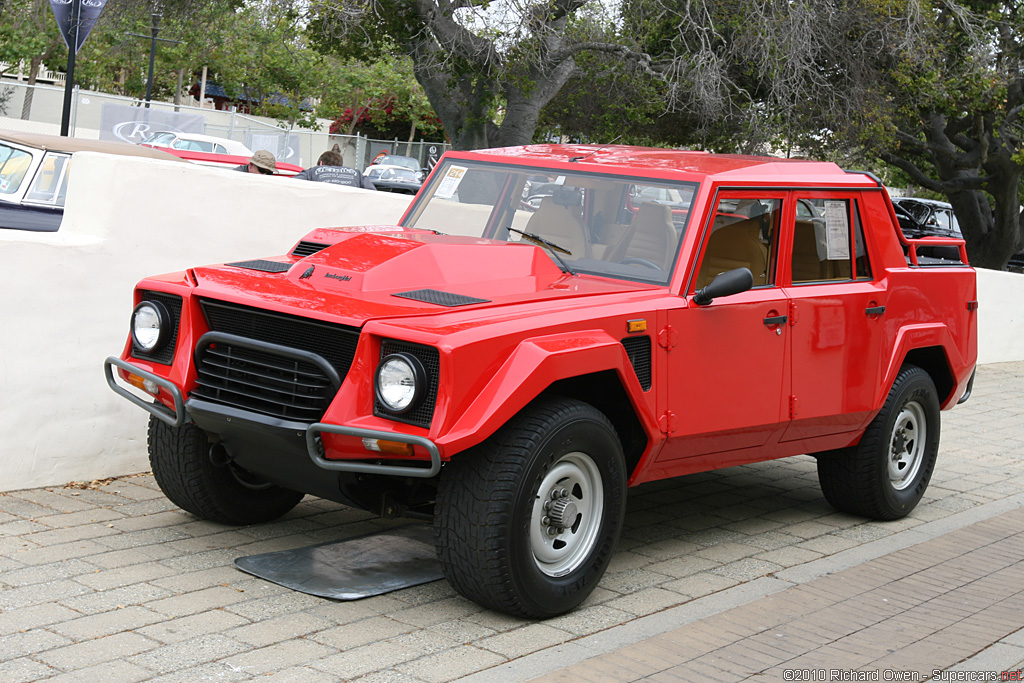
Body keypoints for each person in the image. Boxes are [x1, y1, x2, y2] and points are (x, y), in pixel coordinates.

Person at [293, 150, 375, 189]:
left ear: (321, 163)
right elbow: (373, 193)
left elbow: (291, 184)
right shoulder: (357, 174)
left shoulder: (312, 171)